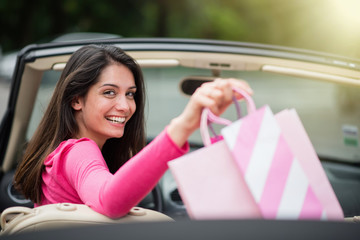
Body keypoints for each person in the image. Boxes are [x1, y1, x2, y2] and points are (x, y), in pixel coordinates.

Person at [14, 44, 253, 218]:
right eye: (109, 92)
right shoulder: (79, 151)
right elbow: (109, 199)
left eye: (130, 93)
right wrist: (184, 126)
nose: (125, 106)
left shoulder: (59, 154)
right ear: (77, 100)